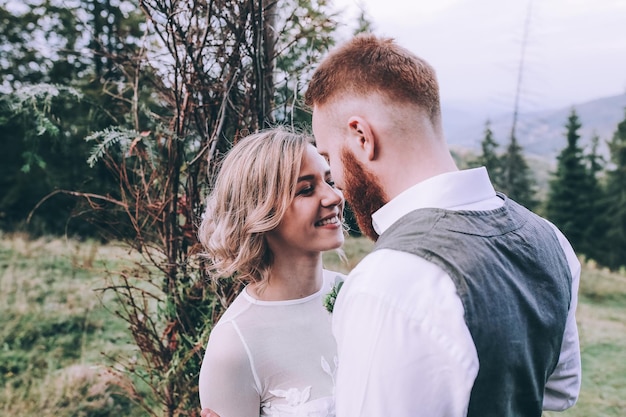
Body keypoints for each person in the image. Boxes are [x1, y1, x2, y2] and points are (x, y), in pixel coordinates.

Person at [304, 33, 581, 417]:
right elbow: (559, 392)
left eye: (330, 156)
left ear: (362, 136)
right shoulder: (549, 238)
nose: (336, 180)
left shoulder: (389, 280)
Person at [197, 127, 346, 417]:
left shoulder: (357, 295)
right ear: (261, 211)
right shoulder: (233, 346)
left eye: (330, 181)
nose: (333, 197)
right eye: (306, 189)